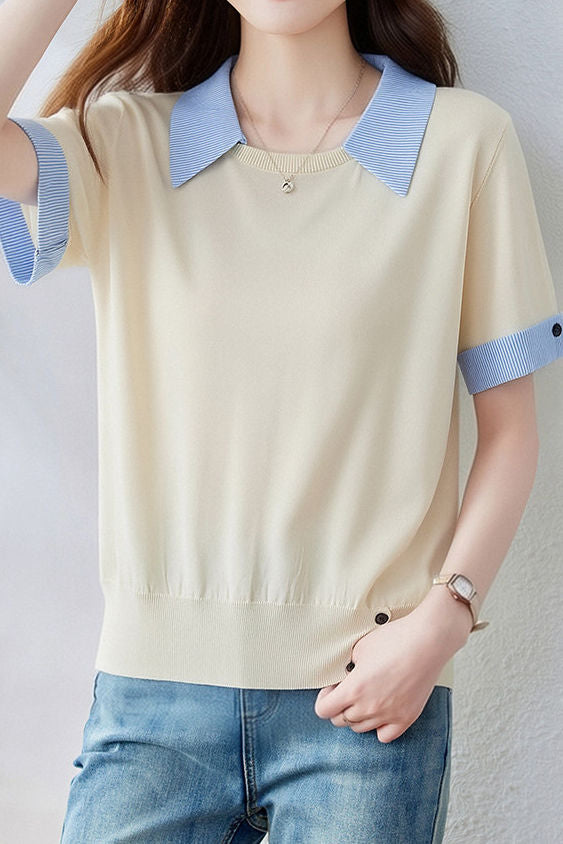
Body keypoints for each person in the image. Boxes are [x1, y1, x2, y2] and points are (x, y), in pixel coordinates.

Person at [1, 0, 561, 841]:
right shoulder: (128, 140)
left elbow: (511, 429)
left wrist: (440, 624)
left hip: (368, 696)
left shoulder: (461, 143)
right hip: (150, 700)